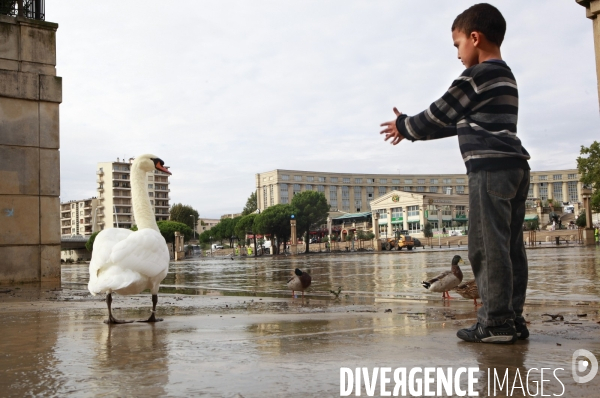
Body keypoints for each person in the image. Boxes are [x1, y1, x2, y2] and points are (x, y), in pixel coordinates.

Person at [380, 3, 530, 344]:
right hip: (516, 168)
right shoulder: (505, 76)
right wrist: (413, 131)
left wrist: (406, 125)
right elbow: (455, 122)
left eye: (457, 44)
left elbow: (439, 112)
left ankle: (494, 323)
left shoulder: (475, 76)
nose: (458, 54)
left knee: (486, 248)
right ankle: (514, 318)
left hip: (489, 170)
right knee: (510, 248)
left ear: (474, 38)